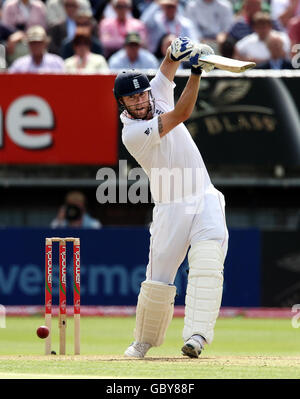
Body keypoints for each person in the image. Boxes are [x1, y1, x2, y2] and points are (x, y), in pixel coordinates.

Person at [113, 36, 228, 358]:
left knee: (207, 266)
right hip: (170, 208)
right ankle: (144, 341)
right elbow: (181, 113)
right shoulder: (132, 133)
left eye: (141, 94)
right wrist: (196, 73)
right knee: (158, 280)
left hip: (204, 197)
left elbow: (165, 70)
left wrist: (175, 52)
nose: (139, 101)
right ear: (121, 104)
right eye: (130, 98)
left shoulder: (156, 94)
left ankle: (196, 337)